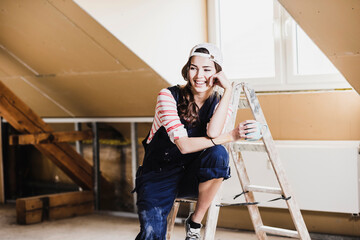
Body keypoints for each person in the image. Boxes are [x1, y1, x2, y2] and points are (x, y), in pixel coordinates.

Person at [133, 43, 257, 240]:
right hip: (158, 175)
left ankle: (195, 222)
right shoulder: (168, 96)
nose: (199, 76)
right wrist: (231, 136)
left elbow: (213, 133)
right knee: (151, 234)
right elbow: (183, 145)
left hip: (193, 175)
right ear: (186, 70)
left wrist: (228, 91)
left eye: (207, 69)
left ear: (217, 74)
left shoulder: (220, 102)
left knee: (219, 155)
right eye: (193, 68)